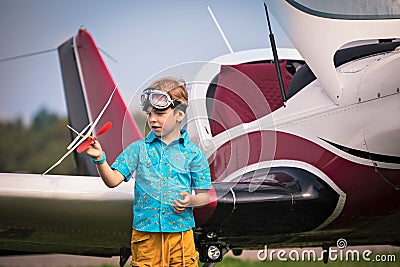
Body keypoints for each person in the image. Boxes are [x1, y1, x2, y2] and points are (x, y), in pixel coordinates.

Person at [84, 77, 212, 267]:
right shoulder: (138, 149)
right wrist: (100, 158)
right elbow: (112, 180)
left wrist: (191, 201)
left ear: (179, 114)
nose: (152, 119)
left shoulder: (194, 154)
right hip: (146, 238)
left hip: (180, 238)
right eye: (149, 113)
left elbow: (204, 196)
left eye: (160, 113)